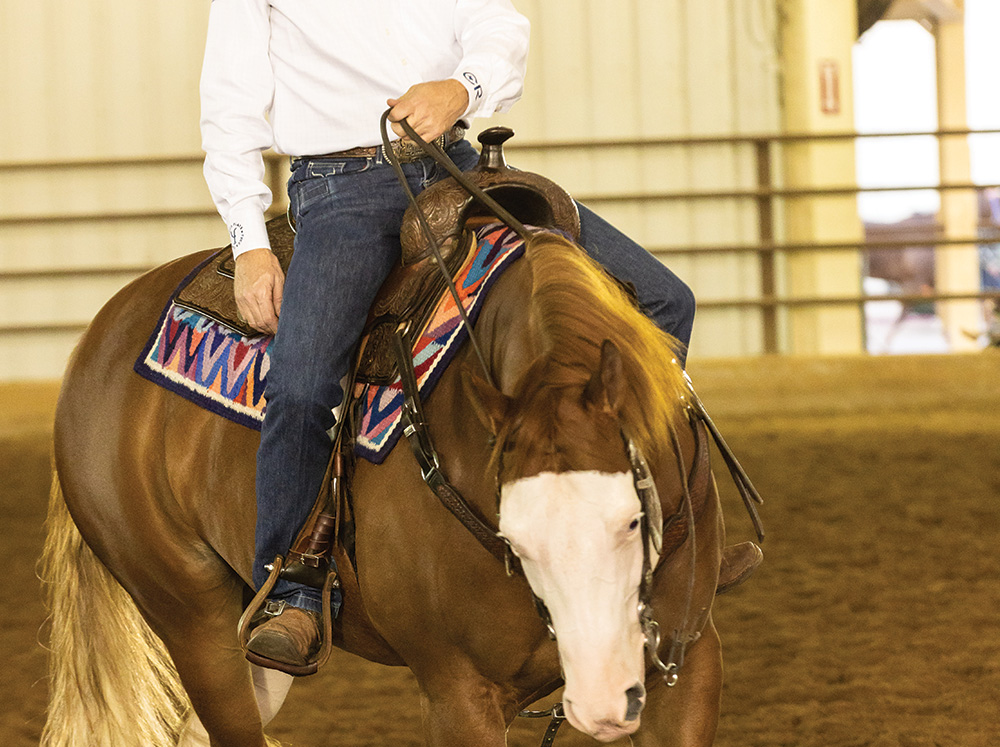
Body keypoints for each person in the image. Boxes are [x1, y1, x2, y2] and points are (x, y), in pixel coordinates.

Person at [199, 0, 696, 674]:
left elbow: (498, 23)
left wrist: (464, 86)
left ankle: (658, 528)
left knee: (664, 302)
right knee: (303, 383)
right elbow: (229, 105)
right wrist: (250, 243)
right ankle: (291, 584)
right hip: (342, 188)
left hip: (456, 164)